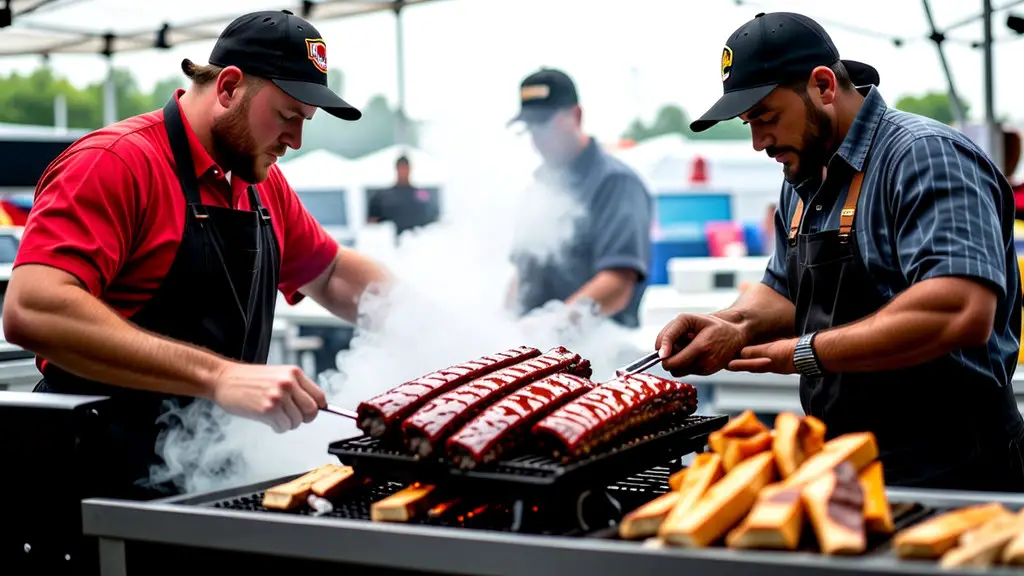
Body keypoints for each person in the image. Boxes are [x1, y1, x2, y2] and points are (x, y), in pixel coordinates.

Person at [3, 10, 390, 500]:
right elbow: (32, 309)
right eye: (289, 116)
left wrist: (444, 328)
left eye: (304, 122)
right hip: (98, 479)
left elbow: (332, 273)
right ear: (229, 87)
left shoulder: (259, 185)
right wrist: (220, 376)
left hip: (207, 478)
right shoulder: (116, 162)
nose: (295, 140)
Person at [656, 12, 1024, 491]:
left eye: (766, 117)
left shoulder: (924, 156)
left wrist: (804, 353)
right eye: (749, 123)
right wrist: (730, 325)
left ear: (824, 86)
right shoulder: (804, 174)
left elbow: (958, 310)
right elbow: (788, 291)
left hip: (958, 466)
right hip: (852, 463)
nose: (758, 142)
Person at [507, 68, 652, 328]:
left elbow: (618, 283)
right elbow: (521, 276)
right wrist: (500, 326)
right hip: (536, 355)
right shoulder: (537, 189)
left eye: (544, 123)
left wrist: (550, 328)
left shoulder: (615, 183)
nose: (537, 137)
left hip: (597, 354)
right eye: (530, 127)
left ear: (576, 116)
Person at [366, 155, 440, 236]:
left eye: (405, 168)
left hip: (418, 241)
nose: (403, 171)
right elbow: (372, 223)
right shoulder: (382, 197)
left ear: (410, 169)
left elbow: (434, 218)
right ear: (397, 169)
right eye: (401, 168)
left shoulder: (421, 194)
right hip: (392, 243)